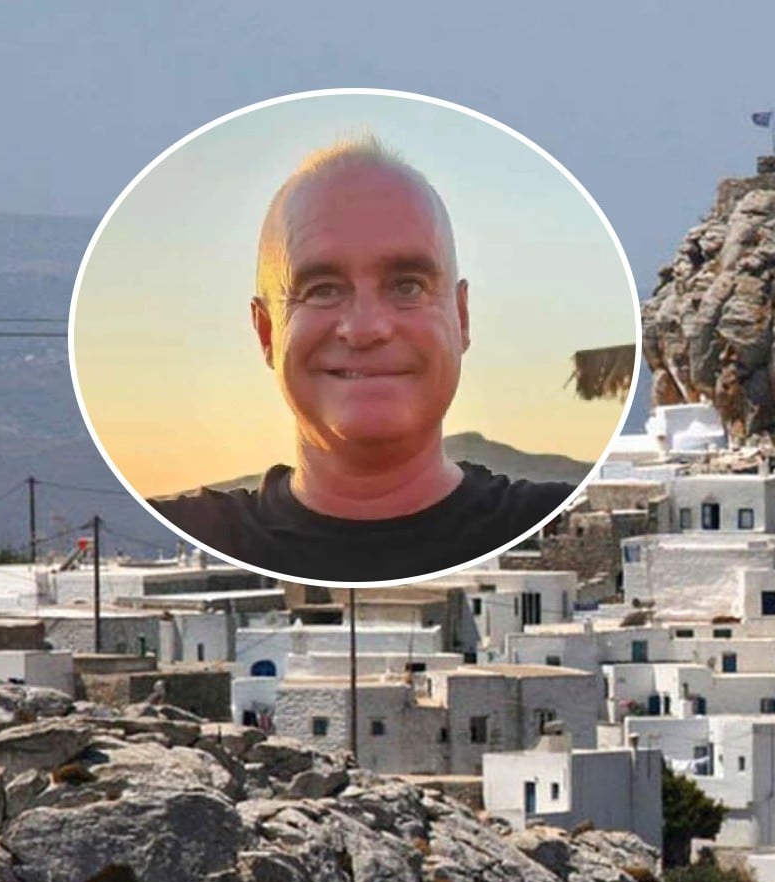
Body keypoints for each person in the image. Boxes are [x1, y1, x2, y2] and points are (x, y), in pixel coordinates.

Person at [152, 136, 574, 582]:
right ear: (267, 332)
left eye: (407, 286)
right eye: (322, 290)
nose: (366, 328)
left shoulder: (559, 522)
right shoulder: (194, 533)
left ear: (461, 317)